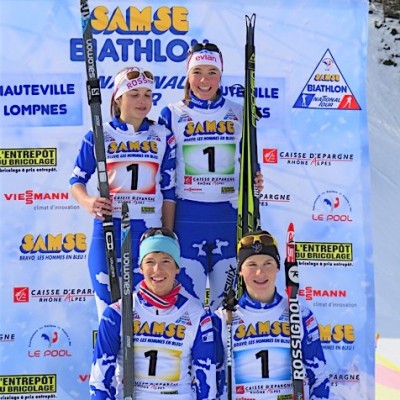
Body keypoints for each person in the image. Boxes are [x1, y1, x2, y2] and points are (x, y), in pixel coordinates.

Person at [159, 42, 263, 311]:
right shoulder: (171, 114)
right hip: (187, 218)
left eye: (212, 72)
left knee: (226, 306)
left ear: (221, 74)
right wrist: (168, 229)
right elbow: (164, 174)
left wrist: (256, 180)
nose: (204, 80)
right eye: (197, 72)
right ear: (187, 75)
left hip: (228, 218)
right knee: (187, 306)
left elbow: (251, 163)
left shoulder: (239, 112)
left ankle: (223, 353)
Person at [70, 67, 176, 319]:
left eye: (148, 95)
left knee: (144, 314)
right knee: (108, 312)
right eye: (135, 94)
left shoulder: (163, 135)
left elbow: (169, 192)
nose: (143, 101)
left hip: (149, 233)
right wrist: (88, 202)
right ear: (118, 99)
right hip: (108, 229)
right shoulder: (99, 135)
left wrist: (169, 236)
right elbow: (77, 180)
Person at [89, 227, 218, 399]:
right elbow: (100, 380)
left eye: (166, 261)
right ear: (140, 268)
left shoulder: (198, 316)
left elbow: (206, 380)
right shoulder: (117, 314)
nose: (157, 270)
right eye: (150, 262)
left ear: (177, 267)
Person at [214, 230, 330, 399]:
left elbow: (319, 376)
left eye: (267, 263)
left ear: (277, 268)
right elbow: (212, 378)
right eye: (252, 265)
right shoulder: (222, 319)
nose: (260, 273)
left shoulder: (300, 315)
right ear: (240, 270)